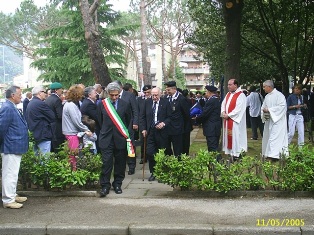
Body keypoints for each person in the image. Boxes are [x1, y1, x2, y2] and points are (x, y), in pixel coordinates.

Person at [97, 82, 132, 197]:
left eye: (116, 95)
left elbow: (127, 121)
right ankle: (105, 185)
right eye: (112, 95)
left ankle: (117, 184)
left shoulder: (124, 104)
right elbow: (99, 121)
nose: (114, 97)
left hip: (120, 139)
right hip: (106, 138)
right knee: (106, 163)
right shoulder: (102, 104)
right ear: (108, 94)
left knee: (120, 163)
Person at [0, 86, 28, 209]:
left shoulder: (11, 107)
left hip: (14, 145)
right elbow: (1, 128)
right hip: (10, 146)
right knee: (10, 173)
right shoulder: (7, 108)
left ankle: (11, 194)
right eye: (19, 94)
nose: (21, 96)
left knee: (13, 173)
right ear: (12, 95)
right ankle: (8, 200)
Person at [140, 87, 171, 181]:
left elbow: (170, 117)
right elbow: (142, 117)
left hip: (162, 132)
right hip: (150, 131)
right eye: (153, 95)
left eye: (156, 95)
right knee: (150, 152)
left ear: (160, 94)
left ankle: (162, 172)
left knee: (162, 152)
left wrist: (163, 123)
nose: (154, 97)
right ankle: (153, 172)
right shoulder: (147, 102)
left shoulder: (166, 102)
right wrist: (143, 129)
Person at [62, 85, 92, 170]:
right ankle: (73, 174)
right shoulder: (71, 105)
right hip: (72, 133)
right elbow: (76, 121)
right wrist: (86, 130)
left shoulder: (68, 104)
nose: (82, 96)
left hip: (70, 132)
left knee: (72, 155)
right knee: (73, 156)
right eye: (81, 94)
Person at [115, 80, 138, 175]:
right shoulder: (112, 97)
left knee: (130, 146)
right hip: (117, 126)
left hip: (128, 125)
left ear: (120, 87)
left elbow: (135, 110)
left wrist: (135, 122)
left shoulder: (129, 95)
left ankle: (131, 166)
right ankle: (121, 165)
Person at [261, 80, 288, 160]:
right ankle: (268, 153)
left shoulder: (279, 96)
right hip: (269, 120)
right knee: (269, 136)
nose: (263, 88)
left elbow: (282, 107)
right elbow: (263, 107)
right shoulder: (267, 96)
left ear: (269, 87)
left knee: (275, 137)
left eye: (264, 87)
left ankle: (274, 155)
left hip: (278, 121)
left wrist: (270, 110)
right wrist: (264, 111)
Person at [221, 79, 247, 160]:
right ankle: (230, 153)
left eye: (230, 84)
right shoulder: (228, 94)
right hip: (228, 119)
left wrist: (228, 115)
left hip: (235, 121)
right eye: (228, 84)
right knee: (229, 137)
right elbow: (223, 104)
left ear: (235, 85)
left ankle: (237, 154)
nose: (228, 86)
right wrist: (223, 112)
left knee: (236, 137)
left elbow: (239, 109)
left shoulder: (241, 95)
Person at [25, 86, 56, 155]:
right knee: (45, 160)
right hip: (43, 134)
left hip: (35, 134)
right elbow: (52, 117)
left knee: (36, 160)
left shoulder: (31, 103)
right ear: (39, 93)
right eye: (44, 92)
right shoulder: (40, 103)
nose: (46, 94)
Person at [164, 81, 190, 157]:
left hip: (178, 129)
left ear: (174, 89)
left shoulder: (181, 99)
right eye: (166, 90)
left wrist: (183, 128)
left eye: (169, 90)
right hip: (167, 128)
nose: (167, 91)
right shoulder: (166, 98)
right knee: (167, 149)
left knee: (178, 150)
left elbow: (186, 114)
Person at [195, 85, 221, 154]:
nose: (205, 93)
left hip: (211, 128)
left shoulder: (212, 101)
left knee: (212, 148)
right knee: (213, 147)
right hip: (214, 128)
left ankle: (215, 163)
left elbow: (205, 114)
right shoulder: (215, 100)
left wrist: (196, 120)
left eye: (206, 91)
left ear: (209, 92)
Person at [45, 82, 65, 152]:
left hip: (50, 126)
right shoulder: (57, 100)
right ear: (56, 90)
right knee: (59, 148)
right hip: (57, 127)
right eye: (61, 89)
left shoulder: (47, 99)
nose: (62, 91)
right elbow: (60, 115)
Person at [137, 85, 152, 164]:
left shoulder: (153, 99)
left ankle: (151, 156)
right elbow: (138, 112)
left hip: (151, 123)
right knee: (143, 141)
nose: (146, 94)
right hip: (143, 123)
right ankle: (143, 157)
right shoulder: (139, 100)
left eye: (148, 92)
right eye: (145, 92)